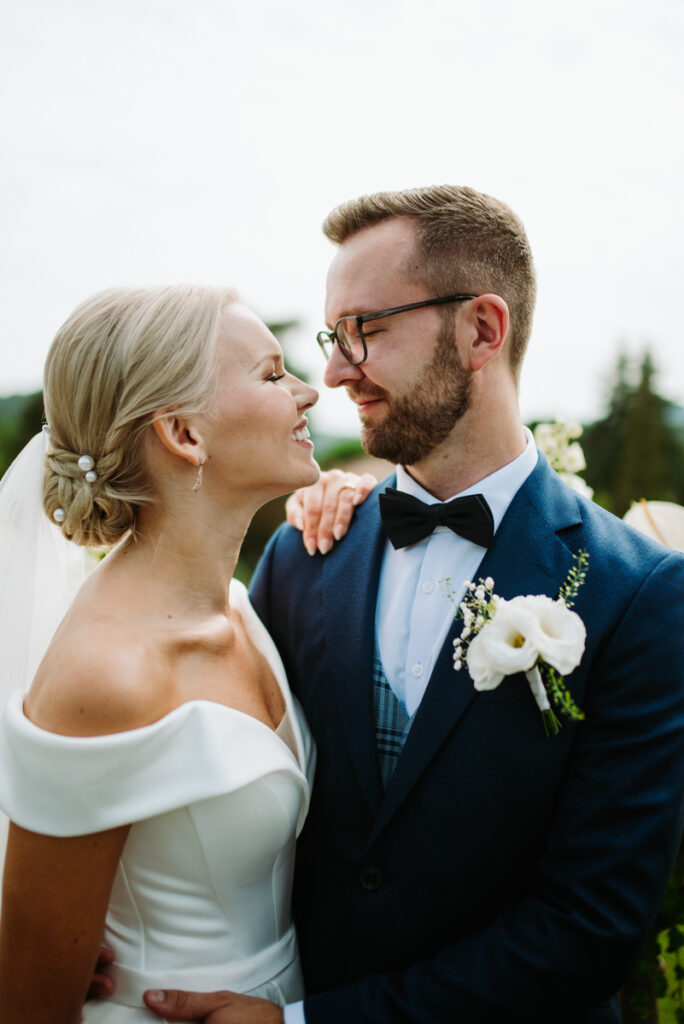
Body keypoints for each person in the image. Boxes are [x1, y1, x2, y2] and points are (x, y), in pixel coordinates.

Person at [142, 186, 684, 1024]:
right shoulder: (304, 554)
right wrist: (112, 915)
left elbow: (589, 928)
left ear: (482, 330)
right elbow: (218, 777)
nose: (332, 372)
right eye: (332, 335)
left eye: (367, 329)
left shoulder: (639, 594)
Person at [0, 284, 369, 1023]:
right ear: (184, 435)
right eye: (271, 375)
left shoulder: (239, 603)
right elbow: (29, 1001)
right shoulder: (106, 675)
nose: (308, 392)